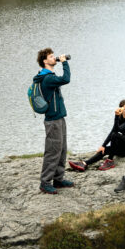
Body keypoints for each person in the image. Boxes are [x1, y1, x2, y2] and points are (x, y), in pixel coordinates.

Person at [34, 48, 74, 194]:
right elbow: (66, 79)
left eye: (54, 56)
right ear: (45, 61)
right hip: (52, 120)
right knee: (52, 151)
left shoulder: (49, 75)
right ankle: (45, 182)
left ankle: (58, 179)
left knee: (62, 149)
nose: (54, 58)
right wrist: (64, 63)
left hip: (59, 118)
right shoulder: (47, 78)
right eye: (51, 56)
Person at [72, 99, 125, 171]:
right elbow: (112, 131)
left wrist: (116, 116)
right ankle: (85, 163)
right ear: (121, 110)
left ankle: (110, 161)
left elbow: (116, 131)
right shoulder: (120, 118)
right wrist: (103, 145)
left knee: (115, 135)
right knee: (105, 150)